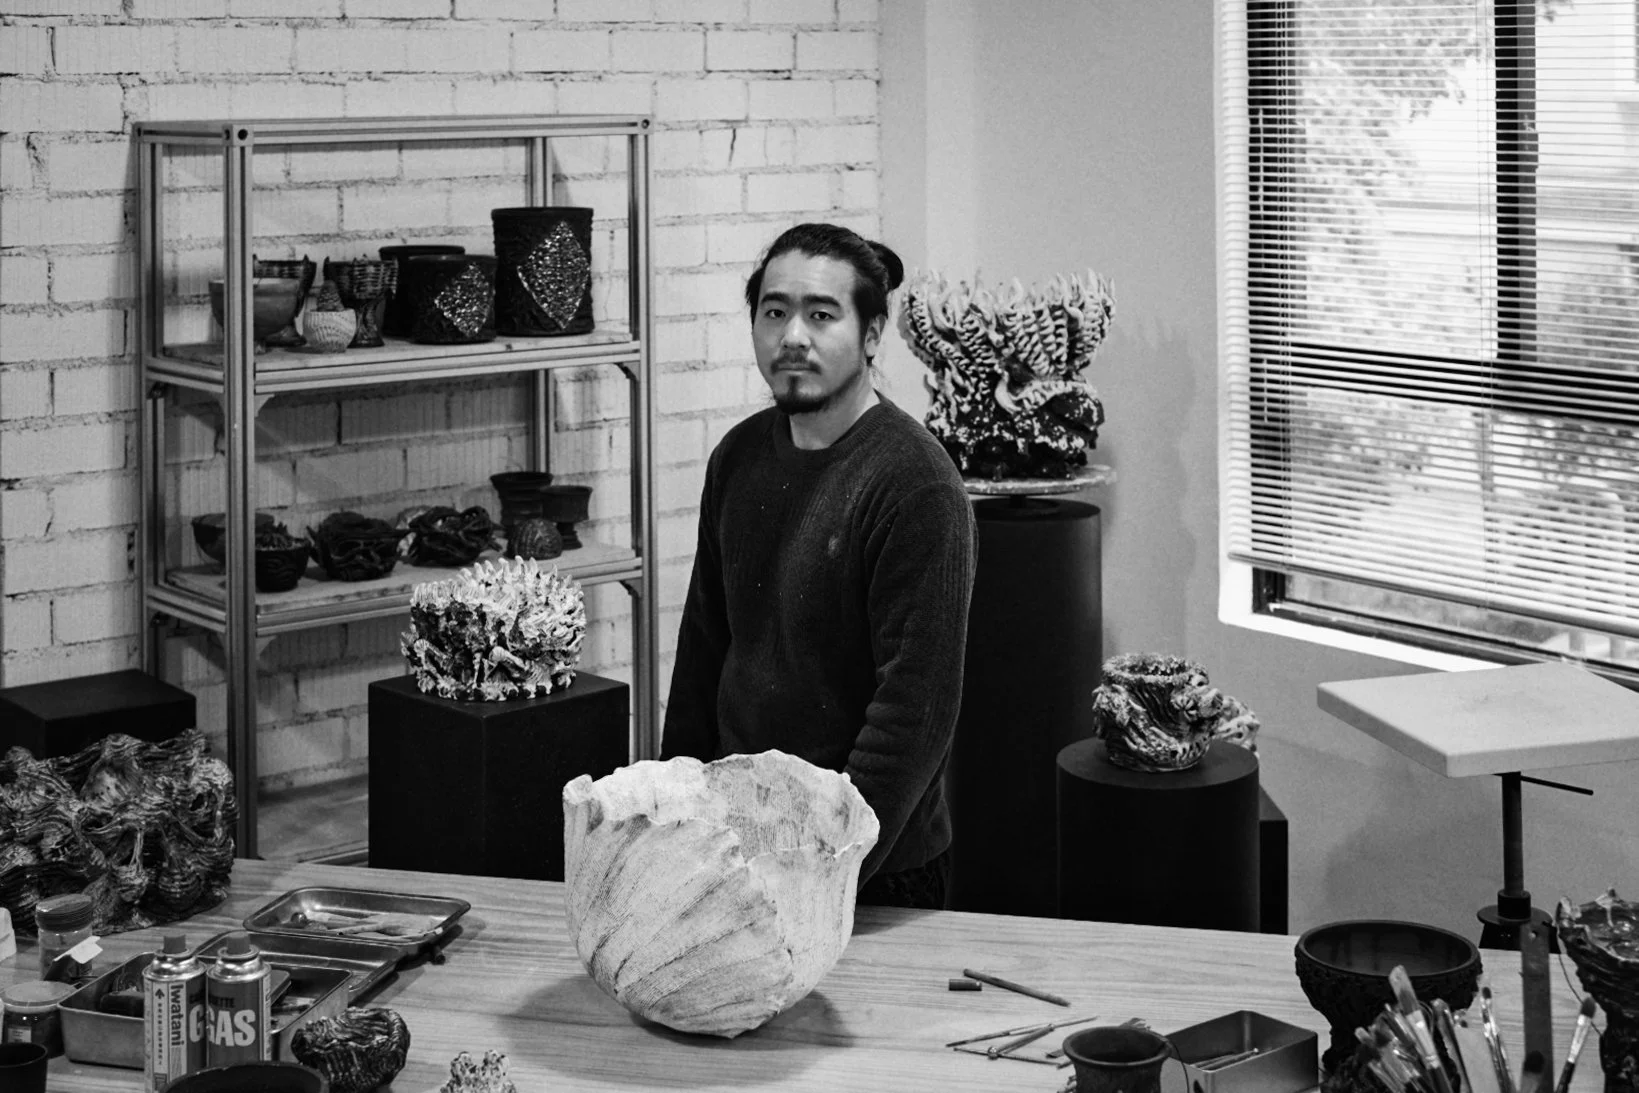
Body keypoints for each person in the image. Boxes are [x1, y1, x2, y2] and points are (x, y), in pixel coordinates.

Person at [661, 222, 978, 910]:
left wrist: (815, 880)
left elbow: (913, 715)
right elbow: (702, 656)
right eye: (774, 311)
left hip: (872, 869)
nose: (792, 335)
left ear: (870, 335)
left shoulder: (914, 483)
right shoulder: (738, 457)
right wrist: (673, 827)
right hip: (734, 845)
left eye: (821, 314)